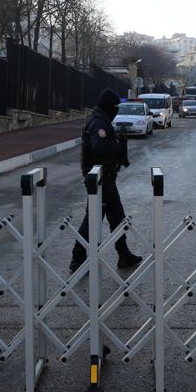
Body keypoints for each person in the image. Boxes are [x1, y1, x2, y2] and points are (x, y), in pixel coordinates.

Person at [70, 88, 143, 272]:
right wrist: (119, 148)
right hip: (99, 179)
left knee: (116, 217)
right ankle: (77, 258)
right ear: (108, 107)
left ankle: (123, 254)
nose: (116, 111)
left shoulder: (102, 121)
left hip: (105, 178)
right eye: (115, 108)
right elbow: (100, 147)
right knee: (93, 220)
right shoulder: (98, 124)